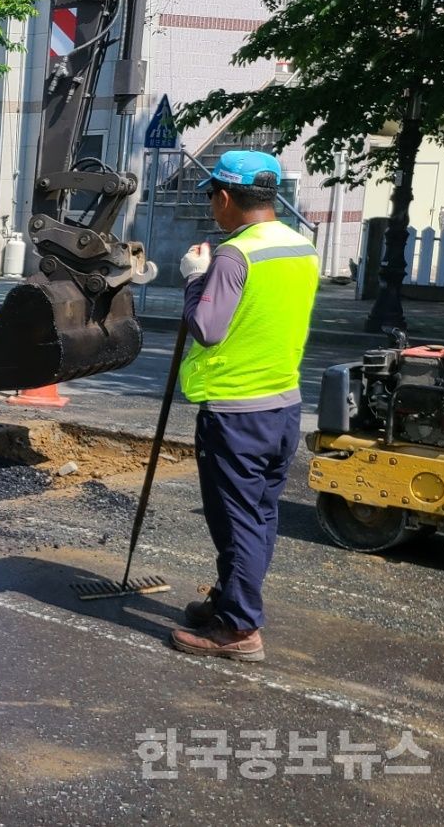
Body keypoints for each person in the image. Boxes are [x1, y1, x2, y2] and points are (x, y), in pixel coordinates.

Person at [169, 150, 316, 663]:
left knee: (236, 520)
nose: (212, 205)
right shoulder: (301, 247)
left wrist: (194, 279)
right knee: (258, 516)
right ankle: (231, 600)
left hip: (236, 413)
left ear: (225, 197)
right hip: (283, 406)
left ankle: (238, 629)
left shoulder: (236, 256)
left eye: (212, 196)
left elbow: (208, 330)